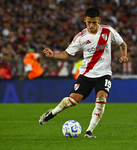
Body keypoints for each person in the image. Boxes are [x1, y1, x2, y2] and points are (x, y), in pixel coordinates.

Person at [39, 7, 128, 138]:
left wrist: (124, 55)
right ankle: (52, 113)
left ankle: (89, 131)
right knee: (72, 101)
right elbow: (66, 54)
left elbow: (123, 44)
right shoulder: (80, 37)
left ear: (99, 20)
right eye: (88, 22)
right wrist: (53, 55)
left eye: (94, 22)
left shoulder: (108, 31)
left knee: (101, 98)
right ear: (84, 20)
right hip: (86, 75)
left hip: (104, 74)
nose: (91, 25)